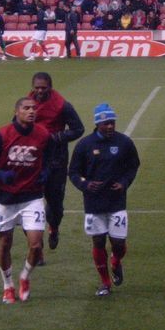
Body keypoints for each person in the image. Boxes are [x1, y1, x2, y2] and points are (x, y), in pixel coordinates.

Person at [0, 97, 51, 303]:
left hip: (32, 197)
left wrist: (46, 172)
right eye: (26, 108)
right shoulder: (3, 134)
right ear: (17, 111)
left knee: (36, 245)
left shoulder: (43, 134)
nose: (31, 111)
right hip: (6, 198)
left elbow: (49, 159)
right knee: (4, 243)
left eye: (33, 108)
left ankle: (25, 277)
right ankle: (7, 285)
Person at [69, 103, 141, 297]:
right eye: (106, 123)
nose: (110, 126)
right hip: (93, 203)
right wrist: (85, 185)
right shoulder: (84, 145)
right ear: (97, 124)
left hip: (117, 201)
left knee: (118, 243)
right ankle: (105, 283)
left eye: (112, 123)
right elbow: (74, 172)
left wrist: (125, 182)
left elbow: (133, 166)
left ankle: (116, 261)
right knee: (98, 241)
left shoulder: (124, 143)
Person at [27, 72, 84, 253]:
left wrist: (58, 137)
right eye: (37, 88)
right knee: (32, 203)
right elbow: (17, 125)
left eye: (43, 88)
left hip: (56, 159)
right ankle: (37, 247)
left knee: (55, 204)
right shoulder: (26, 105)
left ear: (50, 87)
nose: (40, 91)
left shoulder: (62, 105)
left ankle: (54, 227)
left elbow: (78, 128)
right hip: (33, 159)